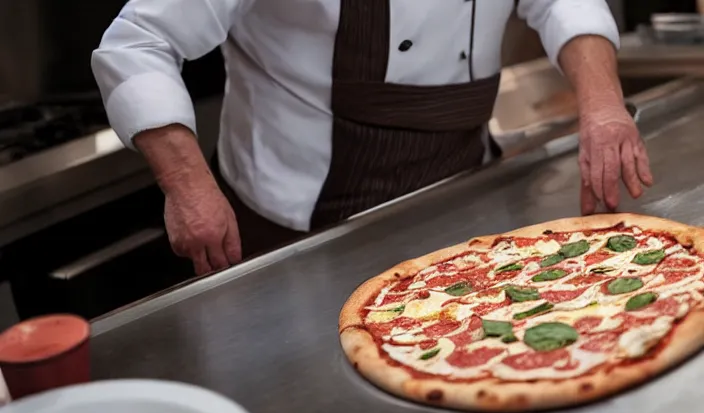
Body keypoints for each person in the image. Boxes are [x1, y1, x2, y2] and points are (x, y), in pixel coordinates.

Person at [92, 0, 652, 276]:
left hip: (465, 204)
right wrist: (188, 186)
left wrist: (602, 104)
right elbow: (137, 42)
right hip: (301, 234)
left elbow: (559, 1)